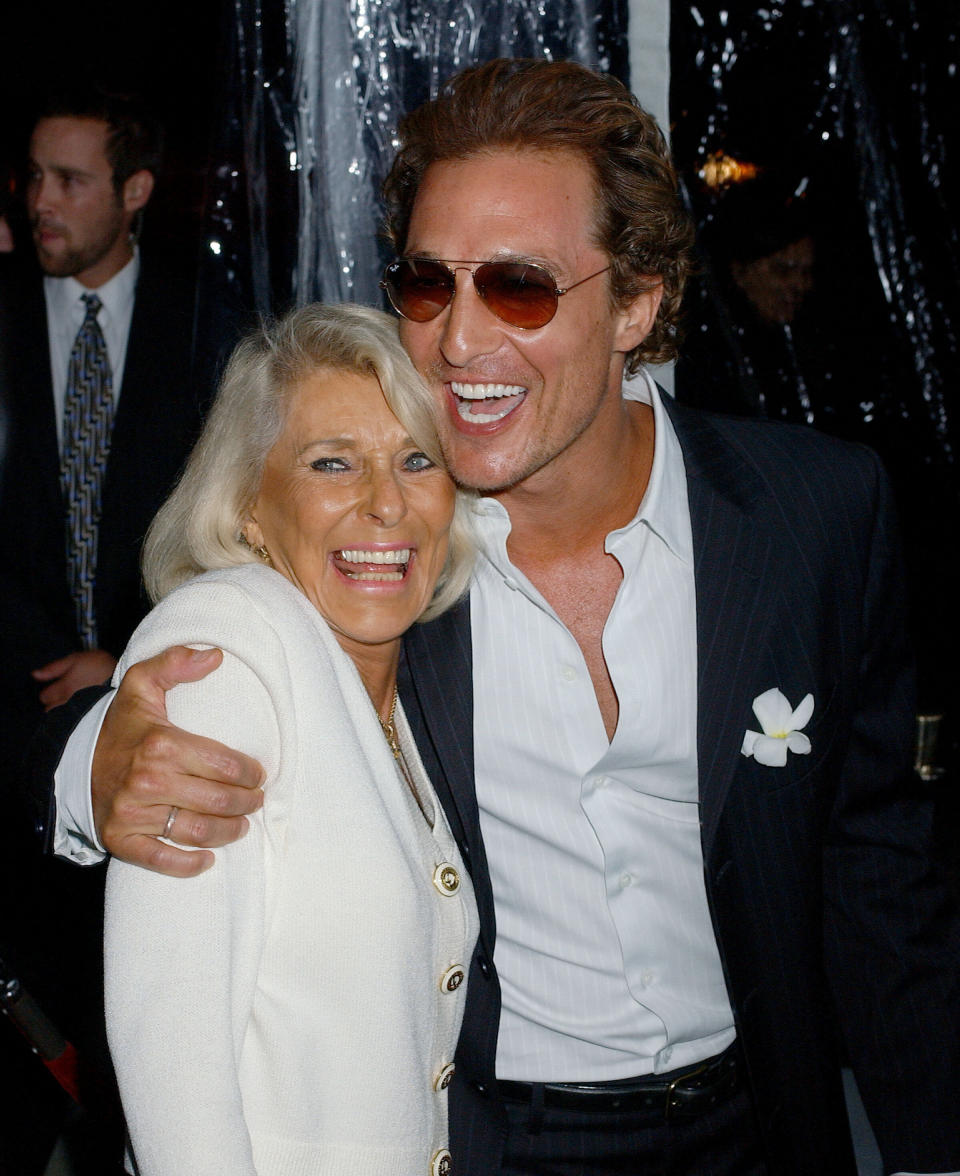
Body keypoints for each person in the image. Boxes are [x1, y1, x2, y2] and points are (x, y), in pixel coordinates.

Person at [33, 59, 960, 1176]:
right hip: (493, 1137)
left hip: (763, 1120)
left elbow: (881, 864)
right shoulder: (384, 557)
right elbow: (219, 645)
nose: (460, 342)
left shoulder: (813, 512)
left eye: (518, 286)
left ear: (638, 303)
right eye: (429, 283)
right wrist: (95, 763)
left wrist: (929, 1148)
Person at [104, 301, 478, 1174]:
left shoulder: (400, 684)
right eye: (332, 464)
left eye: (417, 460)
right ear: (247, 509)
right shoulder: (224, 658)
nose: (387, 504)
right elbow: (172, 1052)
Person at [0, 90, 229, 1173]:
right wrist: (47, 657)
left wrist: (126, 653)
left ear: (135, 192)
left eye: (70, 181)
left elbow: (232, 520)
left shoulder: (208, 318)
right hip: (14, 718)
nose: (40, 202)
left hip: (162, 707)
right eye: (33, 178)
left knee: (132, 1011)